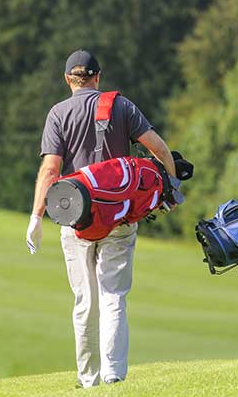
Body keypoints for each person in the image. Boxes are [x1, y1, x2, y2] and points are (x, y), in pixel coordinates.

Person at [26, 49, 175, 388]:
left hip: (76, 221)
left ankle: (88, 377)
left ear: (68, 80)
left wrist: (36, 217)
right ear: (97, 76)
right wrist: (171, 188)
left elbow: (50, 169)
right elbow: (158, 148)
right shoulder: (121, 106)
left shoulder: (58, 113)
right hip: (120, 217)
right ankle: (114, 373)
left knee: (85, 302)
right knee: (113, 297)